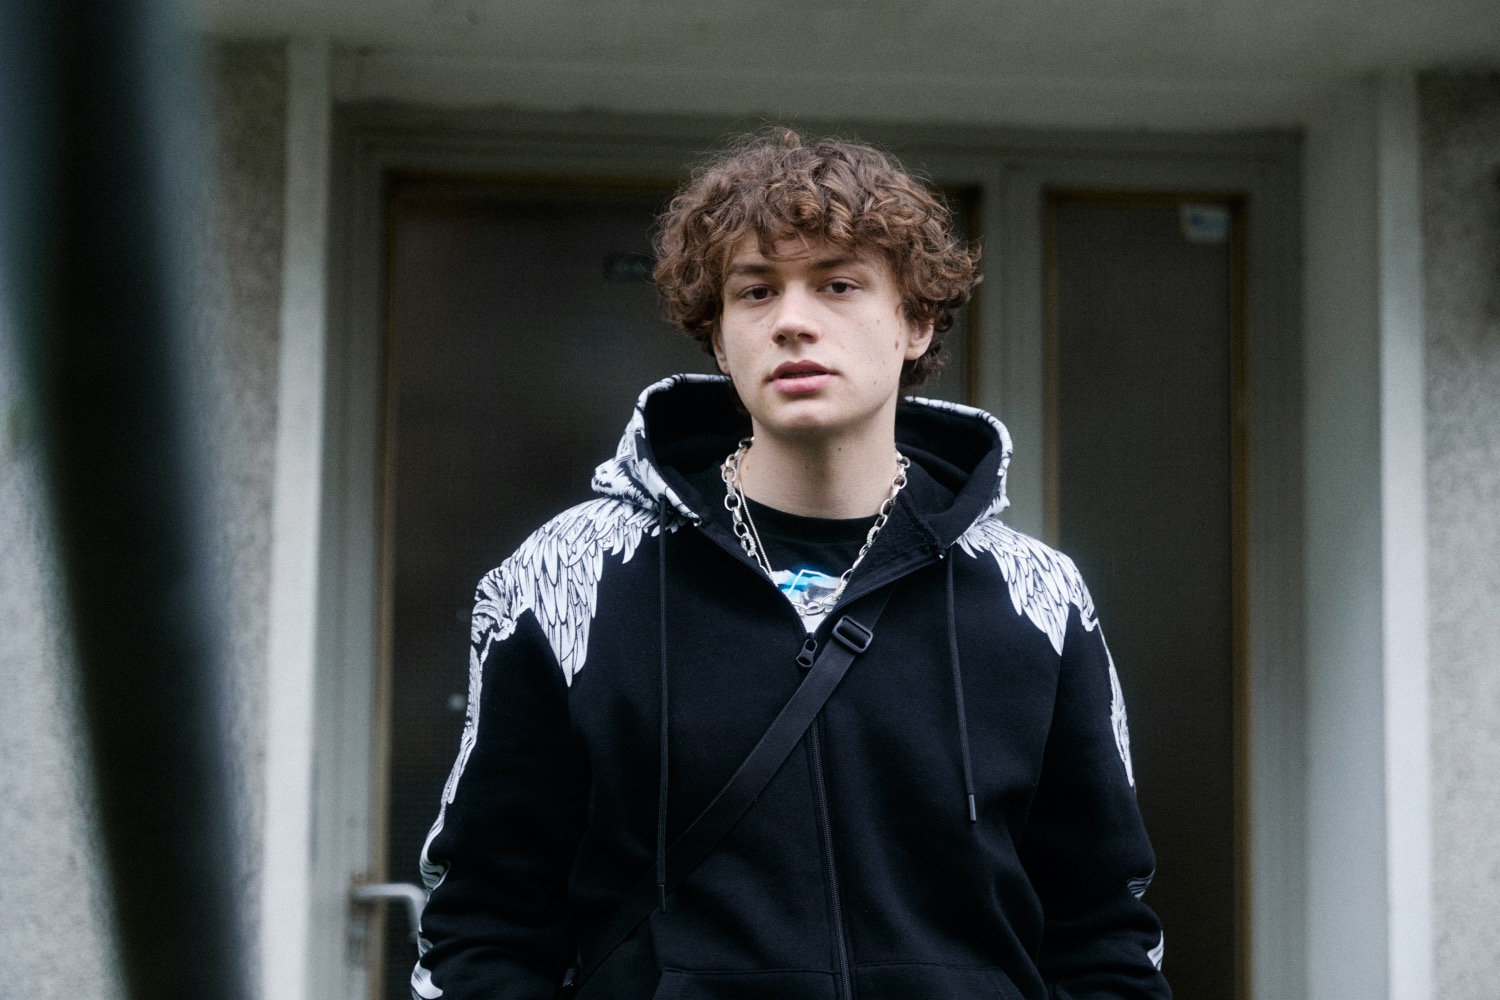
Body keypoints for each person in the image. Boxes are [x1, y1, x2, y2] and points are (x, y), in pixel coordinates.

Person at [411, 130, 1171, 1000]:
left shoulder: (1035, 596)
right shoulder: (569, 577)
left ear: (916, 323)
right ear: (719, 339)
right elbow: (483, 921)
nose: (792, 320)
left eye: (838, 285)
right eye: (756, 291)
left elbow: (1102, 929)